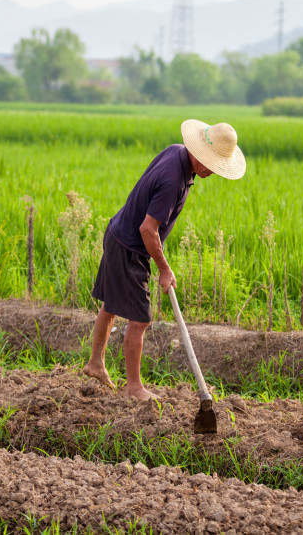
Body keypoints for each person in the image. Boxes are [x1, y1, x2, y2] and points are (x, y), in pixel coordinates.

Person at [82, 119, 246, 399]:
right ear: (200, 154)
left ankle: (96, 363)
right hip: (130, 248)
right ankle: (134, 388)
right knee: (140, 319)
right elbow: (148, 229)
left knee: (112, 304)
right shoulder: (173, 181)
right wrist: (164, 268)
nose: (212, 172)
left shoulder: (176, 151)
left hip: (117, 233)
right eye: (212, 165)